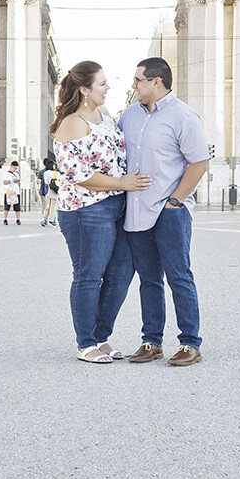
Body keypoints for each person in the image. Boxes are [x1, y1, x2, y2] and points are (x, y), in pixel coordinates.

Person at [50, 60, 152, 364]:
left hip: (115, 204)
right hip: (84, 210)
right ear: (84, 89)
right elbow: (76, 173)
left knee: (121, 272)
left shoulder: (104, 115)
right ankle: (86, 342)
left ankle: (101, 335)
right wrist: (121, 182)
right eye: (102, 83)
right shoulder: (71, 123)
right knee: (88, 275)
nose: (109, 88)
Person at [119, 57, 209, 368]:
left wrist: (176, 201)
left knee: (179, 276)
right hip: (136, 212)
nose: (134, 85)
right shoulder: (128, 116)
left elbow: (199, 161)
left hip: (170, 211)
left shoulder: (184, 116)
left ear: (157, 81)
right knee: (148, 279)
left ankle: (189, 343)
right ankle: (152, 341)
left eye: (138, 80)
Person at [39, 158, 58, 227]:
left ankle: (44, 219)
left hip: (48, 190)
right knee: (53, 206)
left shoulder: (45, 173)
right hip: (55, 191)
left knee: (47, 206)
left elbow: (45, 182)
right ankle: (52, 220)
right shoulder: (56, 173)